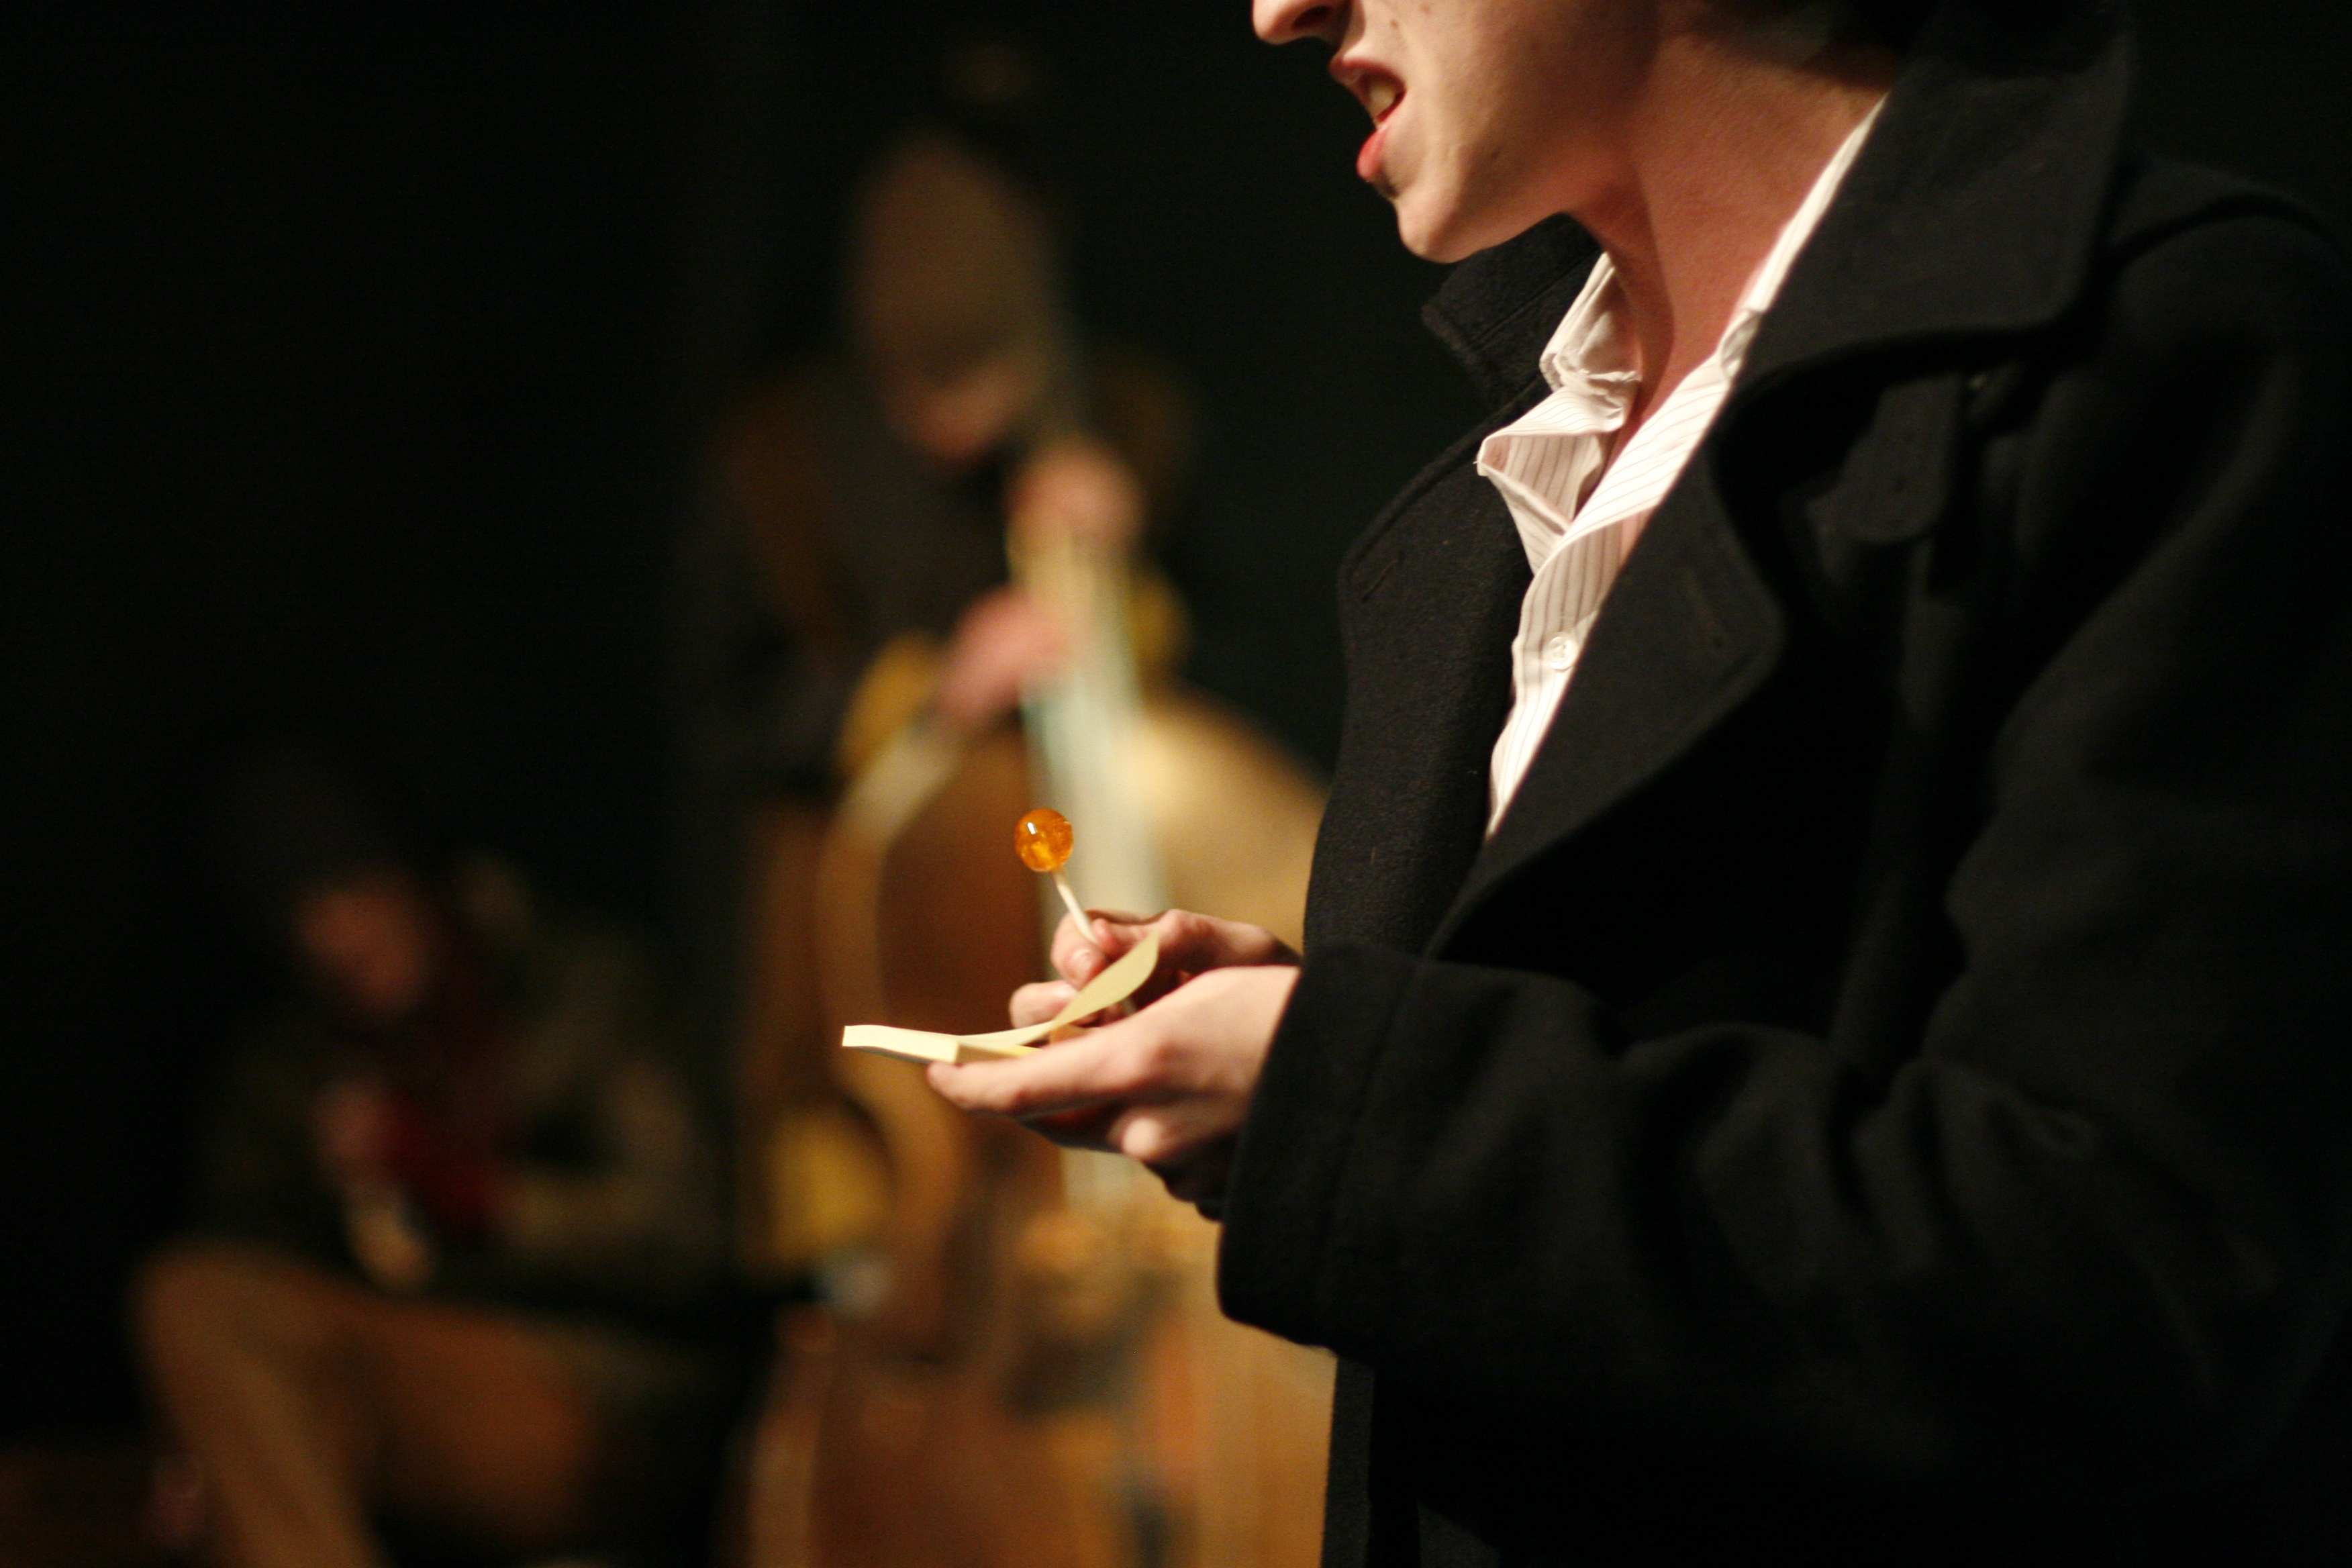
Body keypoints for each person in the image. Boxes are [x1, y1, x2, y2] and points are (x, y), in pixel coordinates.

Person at [928, 0, 2352, 1560]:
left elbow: (2132, 1276)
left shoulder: (2168, 348)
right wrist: (1312, 1051)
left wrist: (1357, 1101)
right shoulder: (1496, 501)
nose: (1281, 9)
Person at [136, 756, 737, 1567]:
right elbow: (258, 1281)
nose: (333, 935)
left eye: (353, 886)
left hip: (604, 1394)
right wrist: (209, 1438)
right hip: (399, 1386)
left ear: (414, 873)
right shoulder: (290, 1066)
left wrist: (470, 1191)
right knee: (193, 1304)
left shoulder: (580, 986)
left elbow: (686, 1235)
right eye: (296, 914)